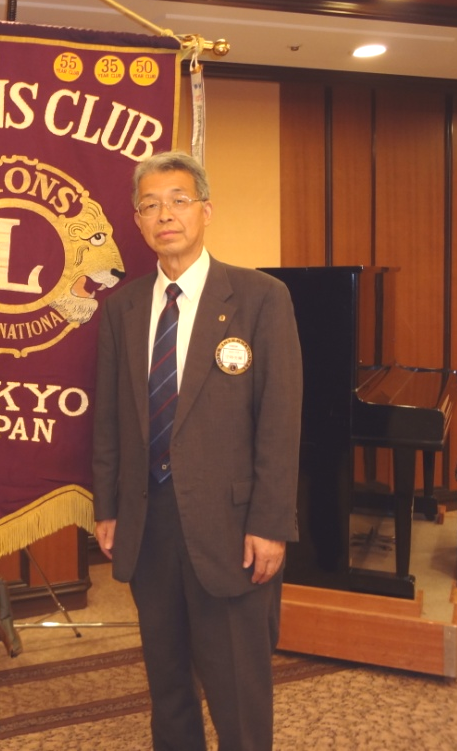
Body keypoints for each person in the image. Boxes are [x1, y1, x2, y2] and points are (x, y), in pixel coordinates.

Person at [92, 151, 302, 751]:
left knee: (238, 691)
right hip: (149, 523)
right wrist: (108, 507)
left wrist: (269, 523)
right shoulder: (123, 309)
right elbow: (110, 420)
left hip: (232, 527)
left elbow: (280, 421)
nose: (166, 215)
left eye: (179, 200)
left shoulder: (261, 298)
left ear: (206, 211)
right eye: (151, 205)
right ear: (137, 221)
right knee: (169, 689)